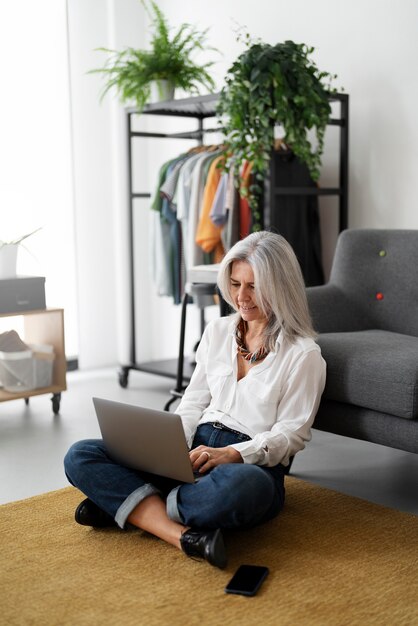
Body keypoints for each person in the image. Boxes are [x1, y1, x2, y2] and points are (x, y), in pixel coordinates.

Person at [64, 231, 326, 569]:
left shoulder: (304, 355)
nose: (241, 298)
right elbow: (192, 403)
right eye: (234, 284)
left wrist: (233, 453)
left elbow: (291, 435)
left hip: (247, 465)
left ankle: (130, 503)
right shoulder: (218, 332)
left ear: (280, 286)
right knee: (81, 454)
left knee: (240, 491)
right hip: (189, 453)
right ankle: (180, 534)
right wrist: (171, 448)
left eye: (254, 287)